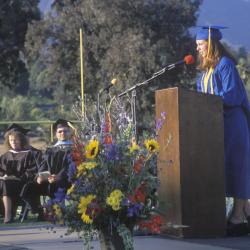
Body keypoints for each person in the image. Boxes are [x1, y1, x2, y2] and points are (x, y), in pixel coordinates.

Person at [196, 26, 250, 236]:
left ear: (211, 45)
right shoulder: (206, 72)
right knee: (225, 169)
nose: (198, 49)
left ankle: (237, 217)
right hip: (216, 127)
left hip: (233, 124)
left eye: (200, 45)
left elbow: (232, 97)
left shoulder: (226, 65)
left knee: (237, 168)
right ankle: (243, 211)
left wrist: (208, 102)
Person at [0, 124, 43, 223]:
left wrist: (18, 177)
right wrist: (4, 175)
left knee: (5, 184)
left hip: (23, 183)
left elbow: (32, 170)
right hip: (6, 182)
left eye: (16, 140)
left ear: (22, 140)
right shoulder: (5, 156)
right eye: (11, 140)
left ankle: (8, 215)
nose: (13, 142)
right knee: (4, 183)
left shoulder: (30, 154)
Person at [37, 119, 73, 198]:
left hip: (67, 179)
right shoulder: (50, 150)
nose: (62, 133)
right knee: (29, 186)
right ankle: (36, 209)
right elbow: (44, 165)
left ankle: (56, 209)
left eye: (65, 131)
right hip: (50, 179)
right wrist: (41, 176)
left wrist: (59, 176)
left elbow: (70, 165)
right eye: (60, 131)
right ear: (56, 134)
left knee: (56, 184)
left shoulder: (74, 148)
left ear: (70, 132)